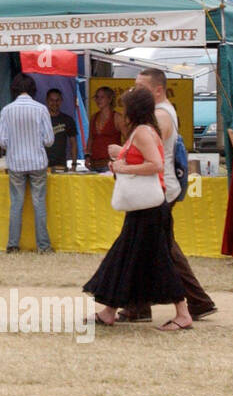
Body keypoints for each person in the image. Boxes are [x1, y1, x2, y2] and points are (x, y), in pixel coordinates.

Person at [84, 86, 193, 331]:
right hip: (146, 208)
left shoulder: (143, 132)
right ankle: (109, 310)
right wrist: (120, 157)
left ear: (135, 109)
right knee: (126, 256)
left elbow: (154, 164)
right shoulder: (143, 130)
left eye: (126, 106)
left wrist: (122, 167)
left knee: (158, 260)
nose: (123, 111)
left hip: (150, 209)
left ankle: (183, 313)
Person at [117, 69, 218, 323]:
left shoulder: (160, 116)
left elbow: (151, 153)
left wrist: (122, 154)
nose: (135, 90)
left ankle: (190, 303)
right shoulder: (159, 114)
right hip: (159, 187)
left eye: (140, 86)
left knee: (159, 249)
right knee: (154, 246)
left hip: (160, 189)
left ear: (158, 90)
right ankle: (145, 306)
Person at [0, 73, 55, 254]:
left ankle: (13, 245)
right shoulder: (41, 109)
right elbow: (49, 140)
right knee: (39, 204)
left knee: (16, 204)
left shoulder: (7, 110)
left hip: (16, 163)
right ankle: (43, 247)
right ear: (33, 90)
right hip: (37, 162)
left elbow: (2, 140)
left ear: (14, 89)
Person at [87, 86, 125, 171]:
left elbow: (128, 139)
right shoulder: (93, 117)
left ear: (110, 99)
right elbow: (90, 139)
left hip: (110, 164)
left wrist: (122, 157)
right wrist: (87, 156)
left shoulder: (117, 118)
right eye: (97, 97)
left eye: (102, 97)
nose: (98, 100)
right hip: (94, 163)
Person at [45, 89, 78, 169]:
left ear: (61, 101)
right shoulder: (41, 119)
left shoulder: (67, 120)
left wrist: (74, 164)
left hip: (60, 165)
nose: (54, 103)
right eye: (51, 100)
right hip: (42, 165)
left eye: (57, 100)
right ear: (47, 101)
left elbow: (73, 143)